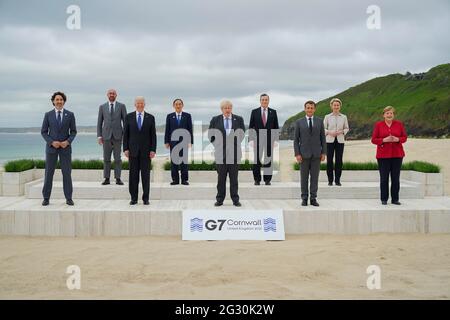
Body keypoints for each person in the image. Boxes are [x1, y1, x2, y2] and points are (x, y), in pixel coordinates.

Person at [41, 91, 77, 206]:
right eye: (57, 99)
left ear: (64, 101)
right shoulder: (48, 115)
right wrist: (51, 142)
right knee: (48, 174)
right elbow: (44, 132)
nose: (59, 101)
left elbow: (73, 131)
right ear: (53, 101)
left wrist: (68, 141)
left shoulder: (70, 115)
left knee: (67, 173)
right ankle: (46, 198)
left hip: (65, 149)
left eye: (61, 99)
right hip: (51, 149)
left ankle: (69, 198)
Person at [208, 100, 245, 207]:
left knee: (234, 179)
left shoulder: (238, 119)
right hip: (220, 154)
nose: (227, 110)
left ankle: (235, 200)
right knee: (221, 179)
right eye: (225, 108)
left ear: (231, 108)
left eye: (229, 107)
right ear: (222, 109)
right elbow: (211, 135)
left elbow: (241, 134)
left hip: (234, 153)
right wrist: (218, 145)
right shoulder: (215, 119)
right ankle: (219, 199)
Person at [123, 96, 157, 205]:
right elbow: (126, 135)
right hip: (132, 151)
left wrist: (153, 150)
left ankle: (145, 198)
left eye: (142, 103)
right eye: (138, 103)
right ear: (135, 104)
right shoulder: (128, 117)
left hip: (146, 152)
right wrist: (125, 148)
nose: (140, 105)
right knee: (133, 176)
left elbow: (153, 136)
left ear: (144, 104)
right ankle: (133, 198)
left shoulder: (150, 118)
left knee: (145, 176)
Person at [371, 106, 407, 205]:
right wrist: (383, 140)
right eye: (387, 113)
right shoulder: (378, 125)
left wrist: (398, 139)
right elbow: (373, 140)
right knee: (384, 178)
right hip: (383, 156)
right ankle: (384, 199)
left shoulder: (399, 124)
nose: (389, 115)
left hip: (397, 154)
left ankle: (395, 199)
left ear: (393, 115)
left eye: (391, 113)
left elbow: (404, 137)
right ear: (384, 115)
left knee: (395, 178)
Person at [293, 100, 327, 207]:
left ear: (314, 109)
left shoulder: (319, 121)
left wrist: (324, 152)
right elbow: (295, 140)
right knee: (304, 178)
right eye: (308, 108)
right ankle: (304, 198)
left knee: (314, 178)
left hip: (317, 154)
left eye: (312, 108)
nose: (310, 110)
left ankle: (313, 198)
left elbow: (323, 138)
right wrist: (297, 154)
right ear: (305, 109)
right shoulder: (299, 122)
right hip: (303, 155)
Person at [97, 89, 127, 185]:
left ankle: (118, 178)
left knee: (117, 158)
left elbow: (125, 122)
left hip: (118, 136)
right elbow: (99, 122)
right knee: (106, 158)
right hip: (106, 136)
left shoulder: (122, 106)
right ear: (107, 95)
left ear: (116, 95)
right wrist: (99, 136)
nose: (112, 95)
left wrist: (126, 136)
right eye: (110, 93)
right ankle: (107, 178)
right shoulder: (102, 107)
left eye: (113, 93)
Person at [248, 93, 279, 186]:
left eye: (266, 100)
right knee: (257, 160)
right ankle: (257, 180)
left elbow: (276, 127)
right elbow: (251, 127)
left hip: (270, 140)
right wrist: (251, 140)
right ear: (260, 101)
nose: (264, 101)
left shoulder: (273, 112)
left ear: (268, 101)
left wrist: (275, 140)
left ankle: (267, 180)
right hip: (257, 140)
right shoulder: (254, 112)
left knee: (268, 160)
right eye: (263, 100)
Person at [164, 98, 193, 185]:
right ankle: (175, 180)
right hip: (173, 142)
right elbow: (167, 129)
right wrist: (166, 141)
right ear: (174, 106)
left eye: (180, 104)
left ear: (182, 105)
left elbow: (190, 129)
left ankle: (184, 180)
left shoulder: (187, 116)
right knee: (174, 162)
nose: (178, 105)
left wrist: (190, 141)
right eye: (176, 104)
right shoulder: (169, 116)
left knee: (184, 162)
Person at [323, 98, 349, 186]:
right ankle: (330, 180)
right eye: (334, 105)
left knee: (339, 160)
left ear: (340, 106)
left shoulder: (344, 117)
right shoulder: (327, 116)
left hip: (340, 141)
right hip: (329, 141)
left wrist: (341, 132)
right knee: (329, 160)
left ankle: (337, 180)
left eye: (338, 105)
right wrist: (329, 132)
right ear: (331, 106)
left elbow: (346, 128)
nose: (336, 106)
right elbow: (323, 129)